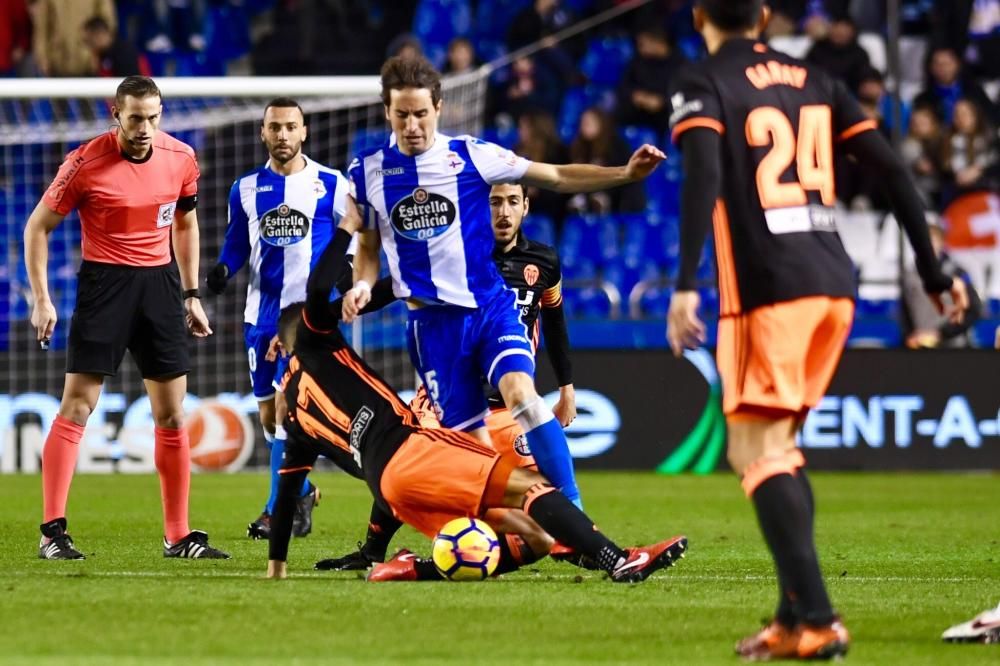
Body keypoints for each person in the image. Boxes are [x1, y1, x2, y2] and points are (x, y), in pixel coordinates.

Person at [665, 1, 968, 660]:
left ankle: (822, 619)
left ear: (697, 16)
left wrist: (685, 282)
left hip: (767, 286)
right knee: (780, 444)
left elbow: (705, 175)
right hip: (835, 282)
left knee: (754, 452)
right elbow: (890, 168)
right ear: (766, 15)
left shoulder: (702, 80)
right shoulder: (819, 80)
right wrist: (935, 269)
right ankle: (791, 617)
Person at [265, 225, 687, 582]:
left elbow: (286, 494)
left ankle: (412, 569)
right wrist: (348, 226)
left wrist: (276, 567)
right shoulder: (316, 339)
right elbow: (320, 290)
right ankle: (619, 559)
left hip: (391, 491)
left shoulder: (295, 415)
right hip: (413, 449)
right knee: (532, 488)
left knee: (536, 538)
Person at [343, 55, 664, 510]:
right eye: (401, 115)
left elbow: (553, 176)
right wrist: (361, 285)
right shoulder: (368, 172)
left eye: (420, 113)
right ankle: (504, 526)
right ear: (387, 113)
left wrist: (623, 174)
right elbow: (370, 251)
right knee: (473, 447)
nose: (411, 125)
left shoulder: (472, 154)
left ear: (437, 107)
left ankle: (574, 517)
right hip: (433, 328)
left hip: (489, 307)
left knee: (522, 393)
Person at [314, 181, 579, 571]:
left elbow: (554, 322)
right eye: (494, 203)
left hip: (508, 401)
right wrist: (327, 315)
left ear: (525, 206)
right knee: (406, 455)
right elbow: (391, 289)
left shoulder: (544, 262)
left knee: (534, 486)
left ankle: (572, 534)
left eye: (511, 203)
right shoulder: (454, 255)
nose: (502, 212)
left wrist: (567, 388)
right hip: (452, 391)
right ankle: (373, 549)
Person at [24, 75, 228, 560]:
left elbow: (185, 221)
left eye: (154, 118)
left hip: (159, 287)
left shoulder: (181, 158)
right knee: (78, 405)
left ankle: (177, 536)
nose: (145, 127)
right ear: (116, 114)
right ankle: (52, 532)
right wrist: (41, 298)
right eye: (136, 117)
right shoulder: (84, 163)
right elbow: (37, 227)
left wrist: (192, 293)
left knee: (173, 413)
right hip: (105, 286)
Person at [205, 97, 348, 540]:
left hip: (309, 321)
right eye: (275, 127)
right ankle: (302, 490)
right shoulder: (245, 189)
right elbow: (235, 245)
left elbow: (355, 240)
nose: (282, 135)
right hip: (260, 319)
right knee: (269, 418)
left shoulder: (331, 184)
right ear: (263, 134)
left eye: (291, 127)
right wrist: (223, 271)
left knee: (288, 413)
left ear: (304, 131)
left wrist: (344, 282)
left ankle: (278, 511)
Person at [902, 216, 982, 349]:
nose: (927, 246)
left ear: (941, 242)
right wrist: (910, 335)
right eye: (923, 241)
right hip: (921, 346)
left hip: (953, 347)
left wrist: (941, 333)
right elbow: (905, 311)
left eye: (932, 239)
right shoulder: (909, 275)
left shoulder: (957, 272)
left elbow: (974, 309)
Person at [82, 15, 148, 78]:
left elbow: (130, 84)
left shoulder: (124, 53)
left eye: (88, 41)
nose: (88, 46)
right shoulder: (102, 54)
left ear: (99, 35)